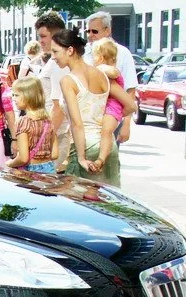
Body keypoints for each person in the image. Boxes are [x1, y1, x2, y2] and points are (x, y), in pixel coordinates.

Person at [53, 28, 128, 187]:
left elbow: (77, 124)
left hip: (84, 145)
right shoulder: (102, 74)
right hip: (108, 145)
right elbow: (130, 105)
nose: (53, 57)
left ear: (70, 50)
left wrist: (81, 157)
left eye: (55, 51)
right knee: (109, 197)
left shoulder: (68, 81)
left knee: (76, 198)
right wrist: (111, 121)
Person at [84, 11, 138, 144]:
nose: (90, 35)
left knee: (108, 153)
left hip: (111, 115)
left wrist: (126, 124)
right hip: (88, 117)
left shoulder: (123, 53)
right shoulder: (84, 52)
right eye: (88, 31)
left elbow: (130, 90)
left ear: (107, 30)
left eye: (94, 31)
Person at [92, 38, 137, 172]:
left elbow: (113, 72)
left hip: (113, 107)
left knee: (106, 131)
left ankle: (101, 158)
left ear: (100, 58)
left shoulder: (112, 71)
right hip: (107, 107)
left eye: (94, 57)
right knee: (103, 132)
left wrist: (99, 68)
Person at [34, 11, 71, 173]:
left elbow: (60, 106)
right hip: (52, 133)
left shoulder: (59, 63)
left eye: (43, 36)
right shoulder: (54, 60)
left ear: (56, 35)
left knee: (51, 183)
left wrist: (45, 139)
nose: (40, 41)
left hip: (56, 136)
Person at [5, 77, 58, 173]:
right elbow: (54, 154)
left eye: (16, 95)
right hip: (49, 169)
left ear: (28, 96)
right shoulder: (48, 121)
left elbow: (23, 158)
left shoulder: (24, 122)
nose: (13, 99)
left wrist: (10, 163)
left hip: (30, 171)